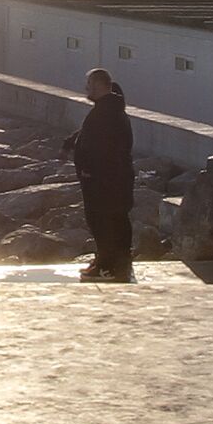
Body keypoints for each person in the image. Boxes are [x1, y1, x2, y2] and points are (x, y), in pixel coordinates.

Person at [70, 68, 136, 281]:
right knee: (116, 220)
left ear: (98, 85)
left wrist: (90, 171)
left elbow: (104, 147)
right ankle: (115, 263)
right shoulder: (111, 109)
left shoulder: (106, 113)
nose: (86, 89)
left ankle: (108, 266)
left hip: (105, 180)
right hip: (114, 178)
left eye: (89, 85)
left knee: (104, 221)